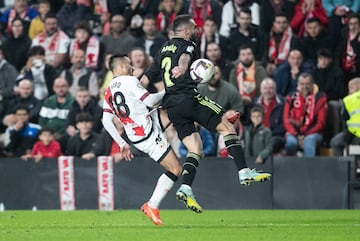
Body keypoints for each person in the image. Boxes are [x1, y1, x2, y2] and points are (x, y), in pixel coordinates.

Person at [153, 14, 271, 212]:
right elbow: (184, 58)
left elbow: (149, 74)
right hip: (188, 98)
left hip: (172, 107)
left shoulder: (162, 50)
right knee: (227, 127)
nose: (197, 31)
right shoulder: (188, 45)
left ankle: (186, 187)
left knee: (196, 149)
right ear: (187, 31)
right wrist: (183, 68)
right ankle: (244, 171)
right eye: (194, 27)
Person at [102, 54, 183, 225]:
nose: (132, 67)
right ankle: (151, 205)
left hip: (140, 130)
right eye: (129, 64)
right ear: (122, 65)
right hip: (147, 135)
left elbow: (106, 120)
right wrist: (168, 89)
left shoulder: (108, 90)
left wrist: (122, 143)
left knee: (177, 109)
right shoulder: (130, 81)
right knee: (175, 169)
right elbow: (151, 100)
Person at [283, 72, 328, 157]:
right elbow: (286, 120)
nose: (305, 87)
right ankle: (290, 169)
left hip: (313, 133)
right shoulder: (290, 97)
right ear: (298, 85)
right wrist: (297, 135)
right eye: (302, 84)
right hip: (294, 132)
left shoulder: (320, 98)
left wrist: (305, 134)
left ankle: (309, 169)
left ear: (312, 85)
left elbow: (321, 123)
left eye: (307, 84)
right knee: (291, 143)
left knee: (309, 141)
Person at [253, 77, 286, 154]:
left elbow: (283, 124)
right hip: (258, 135)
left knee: (270, 144)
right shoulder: (254, 104)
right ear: (261, 90)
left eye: (271, 88)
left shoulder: (283, 103)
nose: (268, 91)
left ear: (275, 89)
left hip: (276, 135)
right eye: (265, 88)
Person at [330, 78, 360, 156]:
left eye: (351, 88)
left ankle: (341, 167)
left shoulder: (348, 100)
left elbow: (344, 118)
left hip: (354, 135)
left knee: (335, 142)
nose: (349, 91)